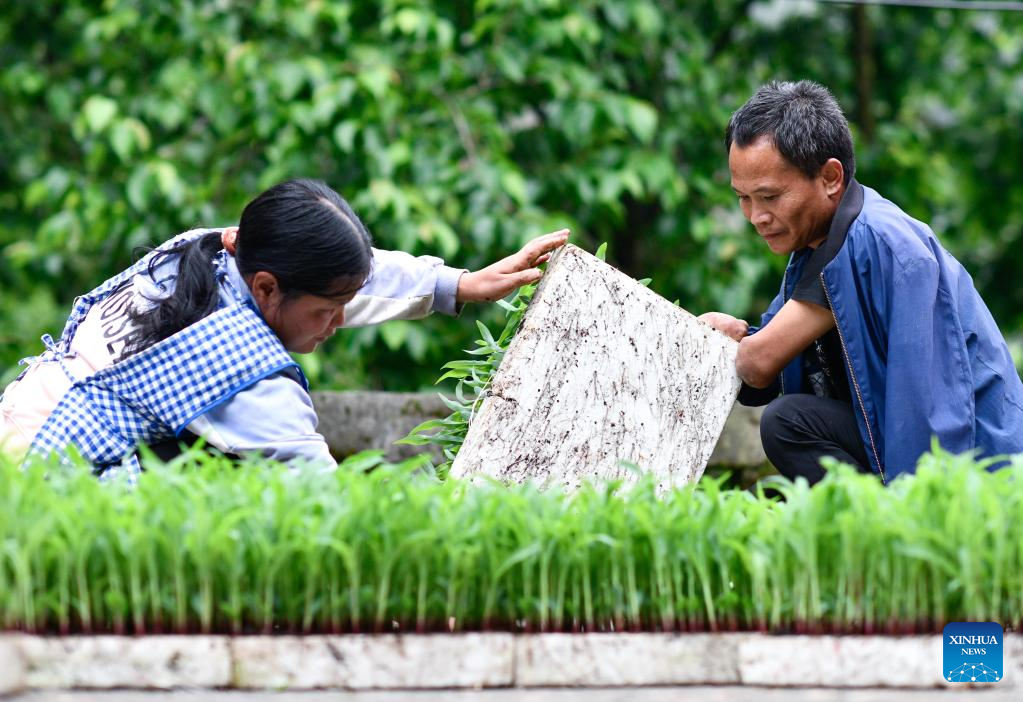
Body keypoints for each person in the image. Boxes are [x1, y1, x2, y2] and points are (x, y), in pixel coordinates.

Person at [0, 178, 568, 480]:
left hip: (25, 414)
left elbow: (351, 274)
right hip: (54, 471)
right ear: (269, 288)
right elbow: (319, 499)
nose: (339, 322)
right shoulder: (238, 370)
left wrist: (459, 284)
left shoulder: (216, 249)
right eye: (328, 310)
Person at [698, 80, 1023, 485]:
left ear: (831, 178)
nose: (755, 216)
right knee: (787, 422)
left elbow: (933, 410)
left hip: (985, 467)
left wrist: (921, 513)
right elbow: (770, 364)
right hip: (892, 439)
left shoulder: (890, 246)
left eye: (769, 196)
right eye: (742, 198)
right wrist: (736, 334)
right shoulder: (813, 246)